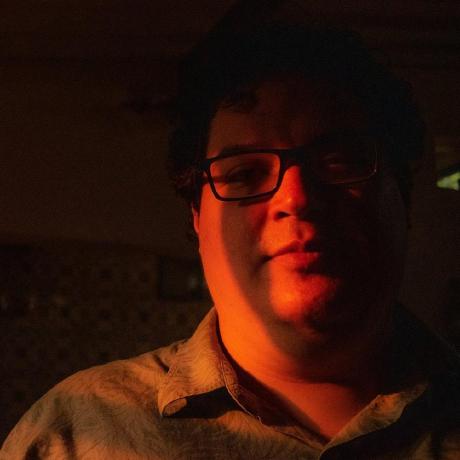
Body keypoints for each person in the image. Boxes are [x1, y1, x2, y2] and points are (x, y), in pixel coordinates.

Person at [1, 24, 459, 459]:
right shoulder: (72, 434)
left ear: (403, 197)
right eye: (244, 173)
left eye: (339, 161)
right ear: (198, 220)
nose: (297, 199)